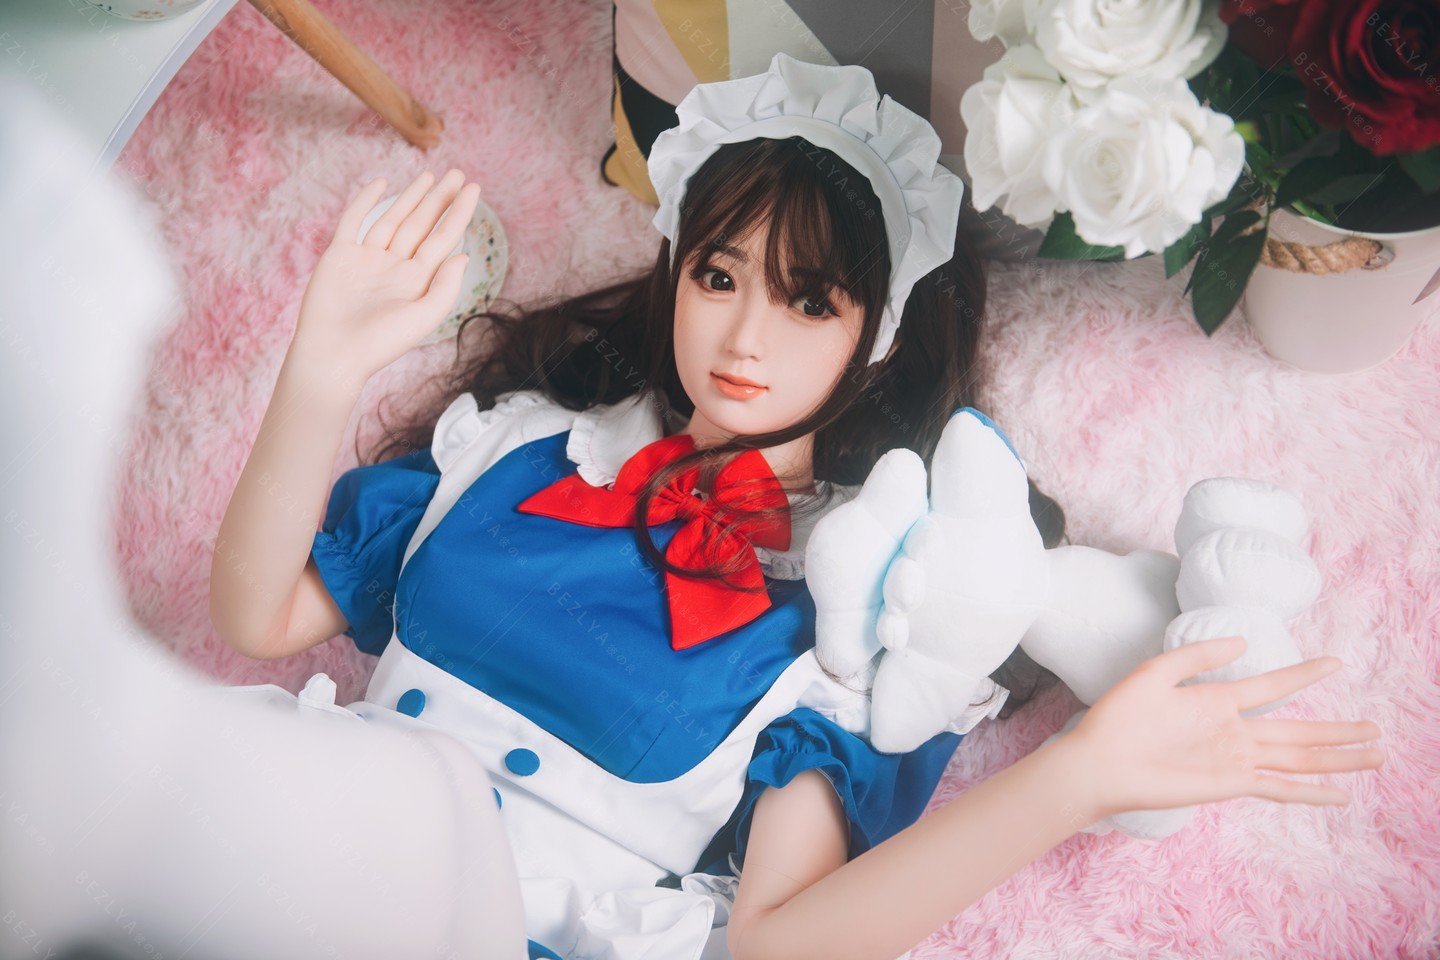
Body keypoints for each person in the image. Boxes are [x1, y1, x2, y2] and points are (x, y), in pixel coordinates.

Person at [203, 54, 1386, 959]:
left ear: (876, 337)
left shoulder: (859, 611)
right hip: (285, 854)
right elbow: (261, 617)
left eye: (808, 301)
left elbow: (780, 941)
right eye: (718, 276)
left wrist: (1079, 777)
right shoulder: (511, 447)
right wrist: (321, 371)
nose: (744, 337)